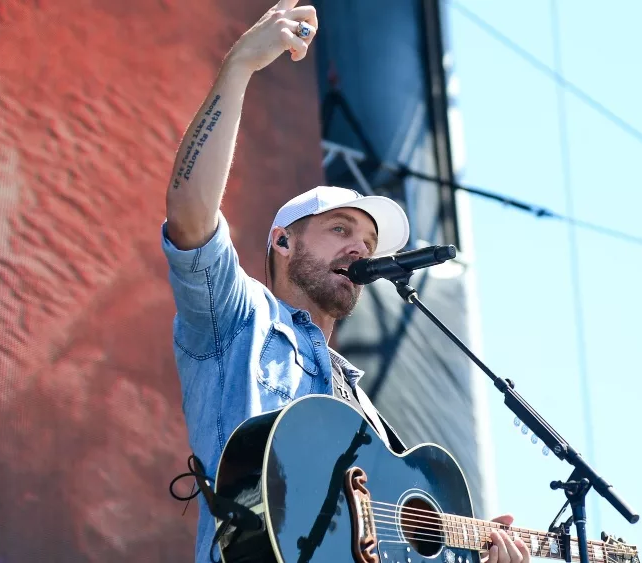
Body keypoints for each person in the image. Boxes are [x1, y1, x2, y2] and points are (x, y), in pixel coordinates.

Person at [161, 2, 532, 562]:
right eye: (340, 229)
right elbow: (190, 214)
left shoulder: (360, 408)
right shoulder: (239, 319)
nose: (359, 248)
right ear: (283, 242)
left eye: (366, 241)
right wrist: (237, 68)